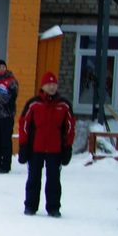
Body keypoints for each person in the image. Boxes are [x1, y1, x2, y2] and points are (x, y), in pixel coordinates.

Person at [17, 71, 75, 216]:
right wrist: (24, 145)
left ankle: (54, 207)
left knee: (54, 180)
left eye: (54, 84)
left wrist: (67, 146)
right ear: (42, 86)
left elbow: (70, 127)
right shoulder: (34, 103)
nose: (51, 87)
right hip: (36, 148)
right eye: (48, 84)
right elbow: (24, 124)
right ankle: (30, 206)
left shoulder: (64, 105)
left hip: (55, 149)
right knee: (33, 178)